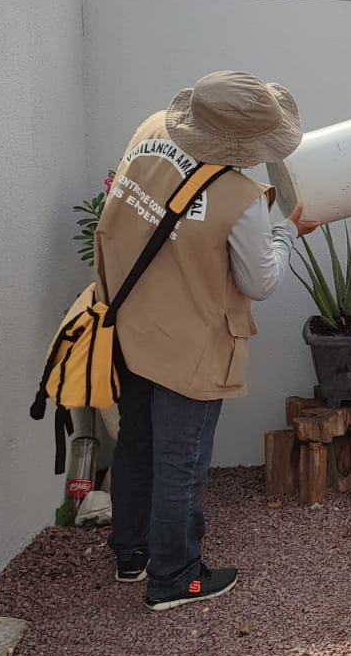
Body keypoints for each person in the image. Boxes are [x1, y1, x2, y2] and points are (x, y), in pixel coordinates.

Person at [94, 71, 317, 610]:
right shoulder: (239, 198)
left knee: (137, 442)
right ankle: (176, 579)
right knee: (182, 460)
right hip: (191, 340)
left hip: (131, 316)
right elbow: (259, 282)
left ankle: (133, 555)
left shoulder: (149, 132)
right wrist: (287, 230)